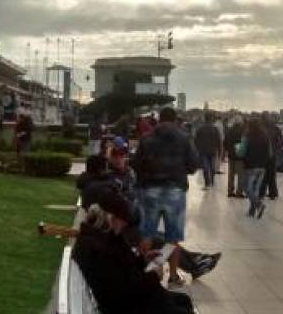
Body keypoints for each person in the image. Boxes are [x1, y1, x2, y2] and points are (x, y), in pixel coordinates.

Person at [79, 153, 222, 281]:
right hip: (118, 233)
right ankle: (155, 272)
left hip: (115, 230)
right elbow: (126, 211)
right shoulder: (103, 188)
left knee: (163, 237)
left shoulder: (91, 186)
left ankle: (195, 261)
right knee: (165, 243)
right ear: (100, 169)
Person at [72, 189, 195, 314]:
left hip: (137, 299)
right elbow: (121, 290)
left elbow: (125, 268)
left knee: (183, 300)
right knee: (182, 307)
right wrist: (154, 276)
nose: (125, 224)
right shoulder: (96, 249)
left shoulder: (103, 238)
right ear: (110, 217)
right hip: (130, 305)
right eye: (123, 220)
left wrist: (143, 260)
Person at [135, 107, 199, 287]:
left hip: (150, 190)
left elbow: (137, 163)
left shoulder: (146, 138)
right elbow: (193, 165)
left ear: (159, 119)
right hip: (175, 191)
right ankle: (173, 275)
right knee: (173, 236)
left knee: (147, 233)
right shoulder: (184, 137)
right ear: (174, 119)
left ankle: (145, 270)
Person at [239, 118, 271, 218]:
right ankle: (252, 211)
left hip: (250, 166)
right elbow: (270, 153)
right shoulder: (265, 136)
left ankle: (258, 205)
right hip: (262, 166)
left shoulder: (246, 136)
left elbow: (241, 152)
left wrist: (238, 148)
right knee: (255, 189)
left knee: (246, 188)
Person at [194, 111, 221, 190]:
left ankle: (207, 183)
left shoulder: (200, 128)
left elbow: (196, 140)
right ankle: (212, 181)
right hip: (212, 150)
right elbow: (218, 140)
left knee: (205, 167)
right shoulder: (215, 129)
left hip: (203, 151)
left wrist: (196, 150)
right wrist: (219, 151)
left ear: (204, 118)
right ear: (211, 118)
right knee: (212, 167)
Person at [259, 113, 283, 199]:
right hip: (272, 154)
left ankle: (261, 192)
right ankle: (273, 193)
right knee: (272, 174)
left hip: (263, 155)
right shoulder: (275, 128)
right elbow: (281, 141)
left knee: (263, 174)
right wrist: (277, 149)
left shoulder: (260, 128)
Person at [224, 116, 245, 198]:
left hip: (231, 155)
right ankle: (239, 192)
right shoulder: (242, 131)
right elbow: (244, 143)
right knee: (241, 175)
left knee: (231, 175)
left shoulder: (229, 131)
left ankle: (230, 191)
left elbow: (225, 142)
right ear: (240, 122)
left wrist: (228, 150)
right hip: (239, 156)